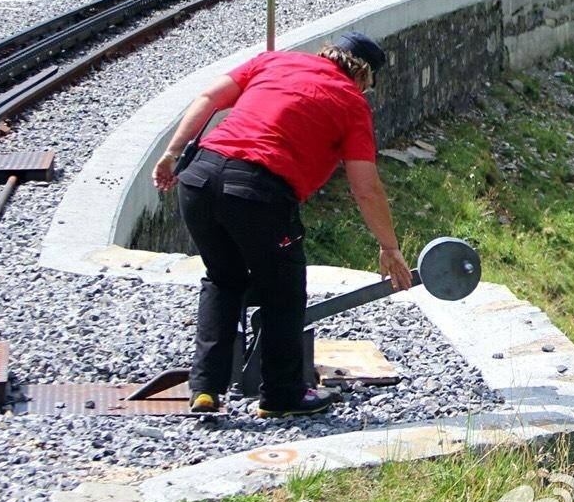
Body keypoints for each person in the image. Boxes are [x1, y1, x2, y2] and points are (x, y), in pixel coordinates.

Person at [151, 33, 414, 417]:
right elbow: (365, 187)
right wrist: (390, 247)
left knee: (223, 278)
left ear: (328, 52)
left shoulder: (275, 61)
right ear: (364, 76)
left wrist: (172, 153)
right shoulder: (352, 102)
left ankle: (205, 389)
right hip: (258, 192)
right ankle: (282, 394)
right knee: (284, 289)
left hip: (199, 179)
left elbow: (208, 97)